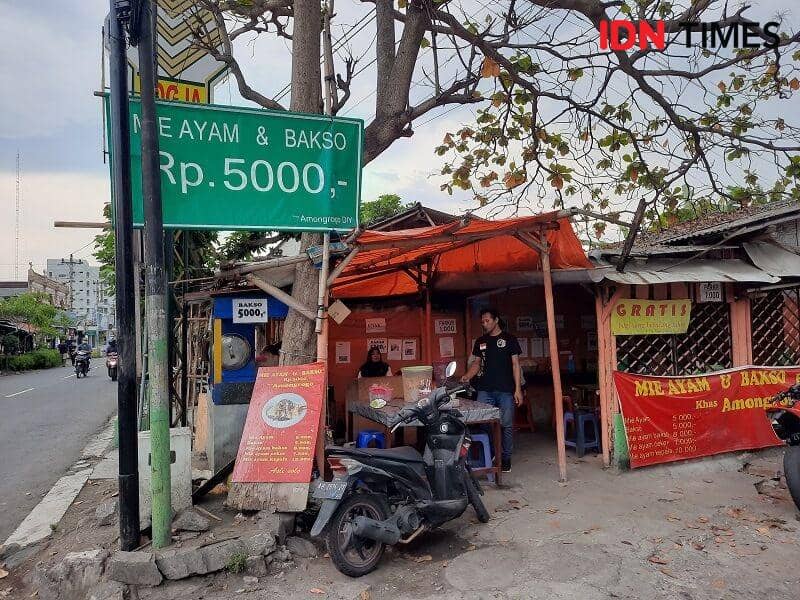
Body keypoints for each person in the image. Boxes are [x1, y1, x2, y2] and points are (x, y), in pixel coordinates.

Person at [461, 308, 523, 473]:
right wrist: (467, 376)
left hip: (505, 390)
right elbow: (476, 364)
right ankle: (495, 453)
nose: (484, 324)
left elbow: (516, 365)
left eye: (487, 320)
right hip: (485, 390)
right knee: (483, 423)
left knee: (506, 425)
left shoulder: (510, 339)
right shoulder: (481, 341)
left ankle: (506, 458)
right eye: (482, 321)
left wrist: (518, 389)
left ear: (496, 320)